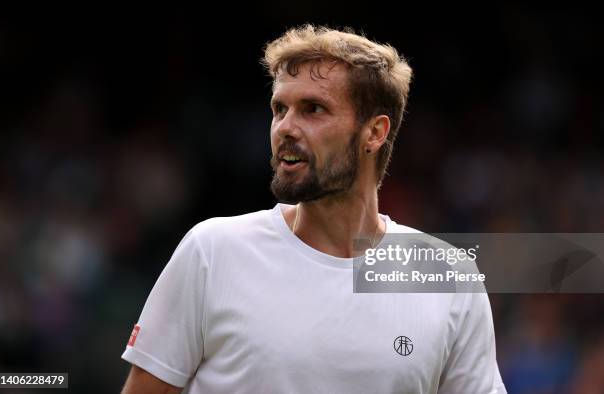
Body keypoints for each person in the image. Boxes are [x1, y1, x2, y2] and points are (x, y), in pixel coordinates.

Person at [120, 25, 506, 393]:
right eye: (279, 109)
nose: (284, 128)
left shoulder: (448, 276)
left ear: (374, 132)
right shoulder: (212, 250)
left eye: (313, 109)